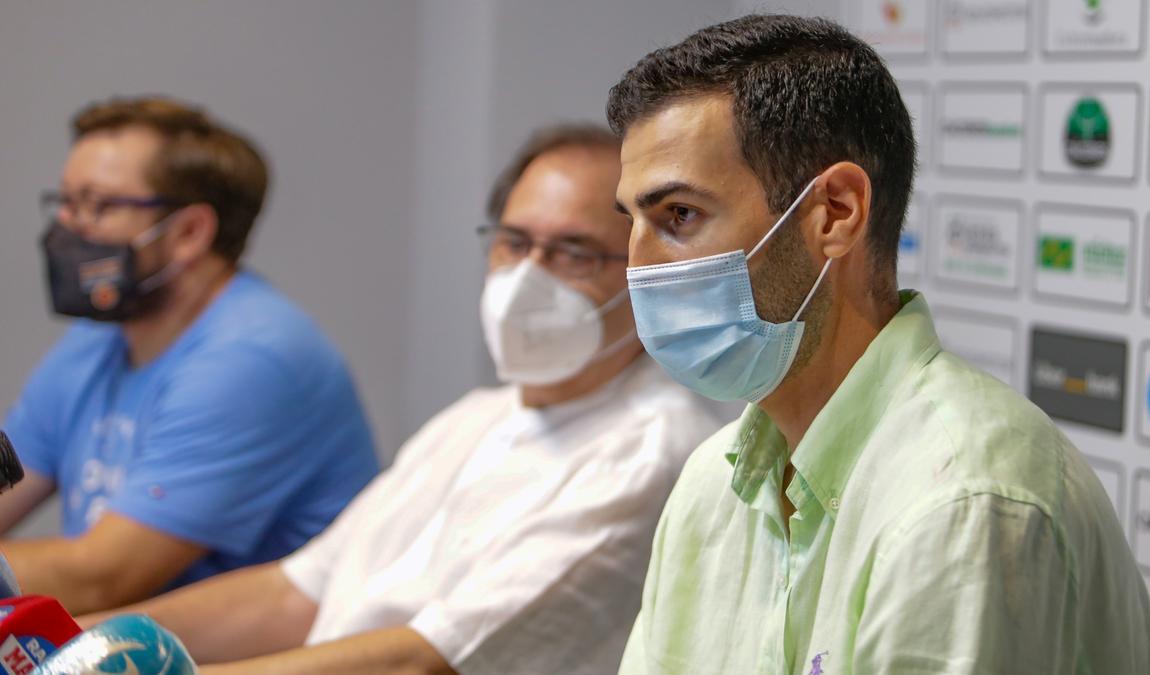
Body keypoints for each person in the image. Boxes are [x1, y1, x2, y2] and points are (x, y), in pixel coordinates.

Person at [608, 15, 1150, 674]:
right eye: (633, 221)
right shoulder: (712, 483)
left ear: (835, 213)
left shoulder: (962, 498)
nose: (636, 265)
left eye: (679, 216)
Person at [90, 123, 721, 674]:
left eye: (573, 253)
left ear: (645, 269)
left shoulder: (652, 449)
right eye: (514, 242)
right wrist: (92, 644)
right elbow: (294, 593)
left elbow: (425, 661)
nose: (528, 274)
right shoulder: (477, 418)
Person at [0, 97, 379, 614]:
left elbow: (101, 577)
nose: (69, 227)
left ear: (189, 233)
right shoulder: (98, 341)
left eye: (99, 206)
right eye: (65, 203)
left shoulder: (252, 360)